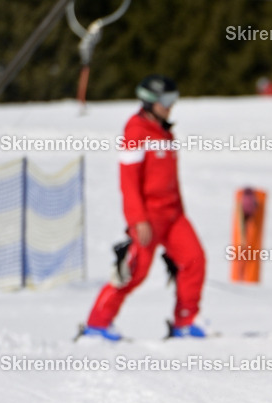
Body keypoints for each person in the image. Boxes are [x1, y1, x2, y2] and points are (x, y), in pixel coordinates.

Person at [80, 75, 206, 340]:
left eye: (174, 99)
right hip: (148, 217)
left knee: (194, 260)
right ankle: (97, 325)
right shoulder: (136, 130)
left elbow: (171, 180)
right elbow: (128, 182)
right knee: (134, 272)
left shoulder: (165, 130)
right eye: (166, 100)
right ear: (150, 101)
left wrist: (180, 211)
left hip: (173, 215)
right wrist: (138, 220)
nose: (171, 106)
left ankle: (185, 322)